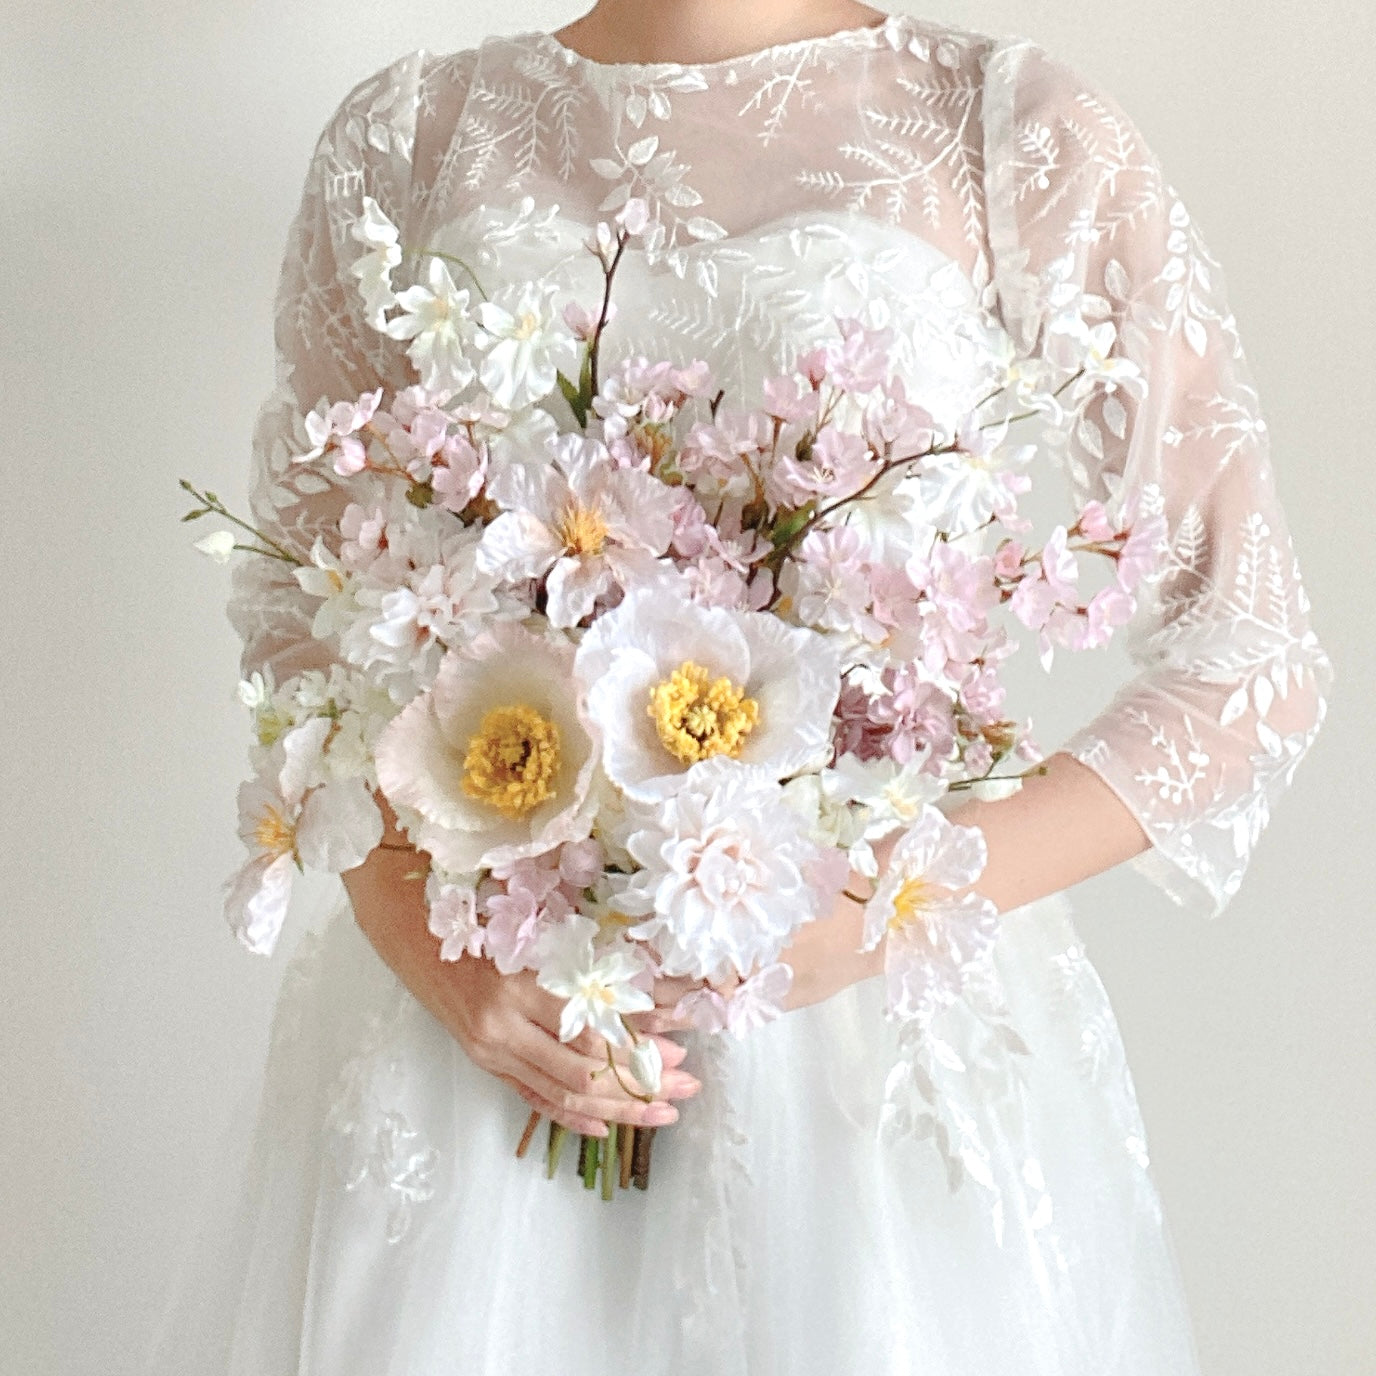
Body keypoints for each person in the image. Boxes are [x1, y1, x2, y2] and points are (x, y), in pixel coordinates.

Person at [146, 2, 1333, 1372]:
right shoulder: (410, 138)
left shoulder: (1009, 130)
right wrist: (440, 960)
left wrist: (893, 901)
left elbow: (1253, 662)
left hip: (867, 1059)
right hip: (501, 1034)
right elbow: (306, 623)